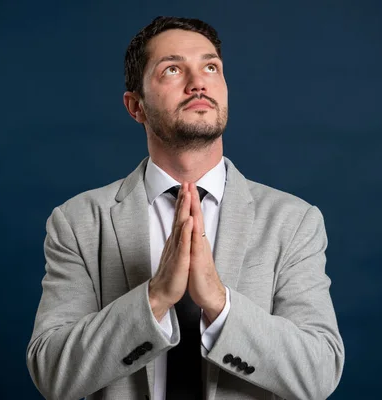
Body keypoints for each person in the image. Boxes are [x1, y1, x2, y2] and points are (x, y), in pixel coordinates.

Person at [26, 16, 344, 400]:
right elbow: (53, 374)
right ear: (135, 106)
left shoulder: (294, 222)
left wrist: (218, 302)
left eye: (211, 67)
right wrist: (155, 297)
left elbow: (319, 373)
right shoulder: (78, 222)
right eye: (173, 69)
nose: (199, 82)